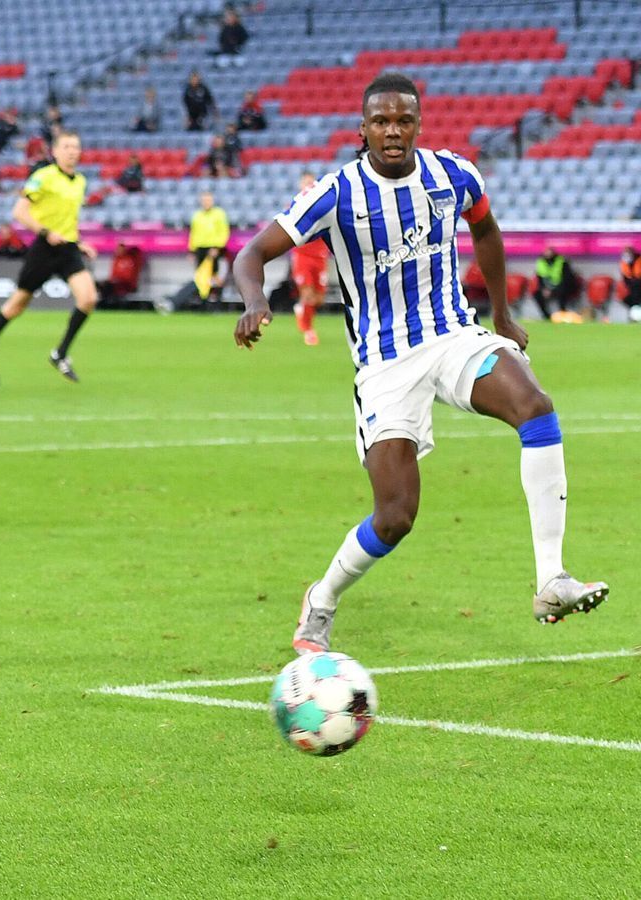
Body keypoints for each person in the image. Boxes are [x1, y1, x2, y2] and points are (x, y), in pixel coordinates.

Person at [231, 72, 608, 654]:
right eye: (380, 121)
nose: (392, 131)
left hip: (452, 334)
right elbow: (253, 252)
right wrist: (255, 301)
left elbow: (485, 230)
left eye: (403, 120)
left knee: (536, 407)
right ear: (362, 129)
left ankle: (550, 579)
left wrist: (502, 315)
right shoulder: (336, 192)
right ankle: (322, 598)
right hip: (385, 363)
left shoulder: (452, 174)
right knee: (395, 516)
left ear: (418, 125)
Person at [0, 129, 98, 385]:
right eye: (66, 147)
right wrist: (46, 232)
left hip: (68, 248)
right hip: (44, 247)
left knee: (88, 299)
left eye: (75, 147)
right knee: (17, 304)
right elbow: (19, 211)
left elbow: (68, 219)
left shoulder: (80, 182)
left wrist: (80, 242)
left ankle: (60, 353)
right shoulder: (43, 177)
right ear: (54, 151)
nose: (72, 151)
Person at [289, 172, 330, 345]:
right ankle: (308, 330)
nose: (308, 185)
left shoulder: (324, 206)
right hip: (303, 255)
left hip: (320, 256)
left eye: (311, 183)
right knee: (307, 294)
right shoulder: (296, 206)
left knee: (319, 298)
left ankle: (301, 311)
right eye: (305, 182)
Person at [188, 191, 230, 301]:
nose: (206, 202)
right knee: (201, 276)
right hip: (200, 249)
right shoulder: (197, 215)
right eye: (204, 200)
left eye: (208, 200)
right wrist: (191, 250)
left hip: (214, 248)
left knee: (215, 275)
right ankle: (203, 299)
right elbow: (193, 233)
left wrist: (217, 247)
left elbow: (224, 232)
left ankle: (217, 299)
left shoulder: (219, 214)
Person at [532, 246, 580, 323]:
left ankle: (562, 314)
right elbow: (539, 278)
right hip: (547, 287)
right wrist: (543, 289)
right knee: (537, 294)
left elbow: (567, 279)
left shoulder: (562, 261)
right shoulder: (541, 262)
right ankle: (546, 316)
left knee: (563, 292)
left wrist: (552, 289)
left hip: (562, 286)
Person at [621, 246, 641, 312]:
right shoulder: (624, 263)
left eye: (628, 254)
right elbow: (625, 279)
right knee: (628, 299)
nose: (627, 256)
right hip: (632, 288)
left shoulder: (639, 260)